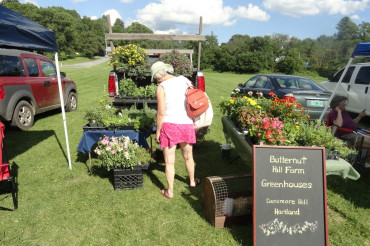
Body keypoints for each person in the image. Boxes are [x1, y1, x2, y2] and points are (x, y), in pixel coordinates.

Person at [151, 61, 201, 199]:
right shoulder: (185, 80)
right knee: (189, 156)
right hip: (186, 124)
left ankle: (170, 191)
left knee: (169, 161)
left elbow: (161, 113)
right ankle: (192, 181)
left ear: (159, 75)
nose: (156, 80)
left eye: (155, 78)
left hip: (169, 126)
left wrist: (158, 131)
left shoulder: (161, 87)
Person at [328, 95, 370, 168]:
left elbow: (352, 122)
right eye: (343, 103)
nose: (345, 104)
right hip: (347, 135)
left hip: (355, 131)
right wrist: (339, 112)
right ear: (337, 105)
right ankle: (367, 164)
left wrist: (359, 116)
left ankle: (367, 163)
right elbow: (339, 124)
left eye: (345, 102)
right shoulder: (332, 114)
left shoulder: (344, 112)